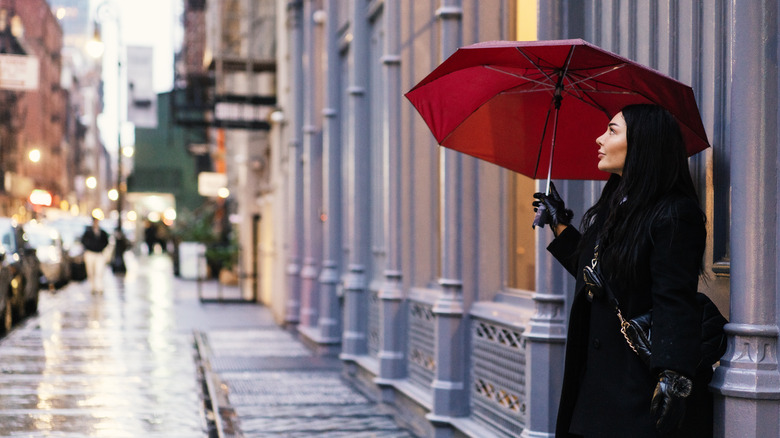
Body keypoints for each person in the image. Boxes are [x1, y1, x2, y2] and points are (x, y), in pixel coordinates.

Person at [533, 104, 711, 437]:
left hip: (636, 391)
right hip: (596, 387)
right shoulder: (616, 206)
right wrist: (559, 225)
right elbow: (598, 276)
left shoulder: (673, 213)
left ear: (644, 143)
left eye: (612, 131)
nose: (600, 139)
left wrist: (673, 373)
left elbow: (675, 299)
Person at [81, 217, 110, 294]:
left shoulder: (102, 232)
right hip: (90, 253)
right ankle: (92, 287)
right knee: (91, 271)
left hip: (99, 254)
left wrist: (101, 248)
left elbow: (106, 241)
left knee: (99, 270)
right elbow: (83, 241)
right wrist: (88, 246)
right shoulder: (88, 232)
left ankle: (99, 287)